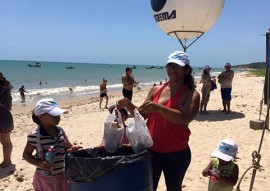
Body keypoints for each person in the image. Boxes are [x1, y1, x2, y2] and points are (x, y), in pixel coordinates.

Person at [116, 51, 200, 191]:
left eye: (177, 66)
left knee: (173, 188)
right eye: (170, 66)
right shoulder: (156, 89)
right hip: (152, 151)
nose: (172, 70)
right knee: (148, 187)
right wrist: (128, 104)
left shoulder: (191, 94)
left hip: (177, 154)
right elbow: (142, 114)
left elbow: (185, 118)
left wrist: (159, 108)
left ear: (186, 69)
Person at [22, 98, 82, 191]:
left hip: (61, 175)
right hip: (45, 178)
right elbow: (26, 154)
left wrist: (71, 150)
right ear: (41, 117)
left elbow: (66, 148)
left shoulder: (60, 131)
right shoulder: (35, 136)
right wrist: (39, 163)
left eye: (58, 114)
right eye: (54, 115)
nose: (58, 117)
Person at [0, 73, 14, 168]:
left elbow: (8, 106)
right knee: (6, 141)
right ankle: (8, 160)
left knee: (5, 141)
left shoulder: (4, 90)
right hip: (4, 118)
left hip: (3, 119)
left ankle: (6, 161)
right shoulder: (5, 89)